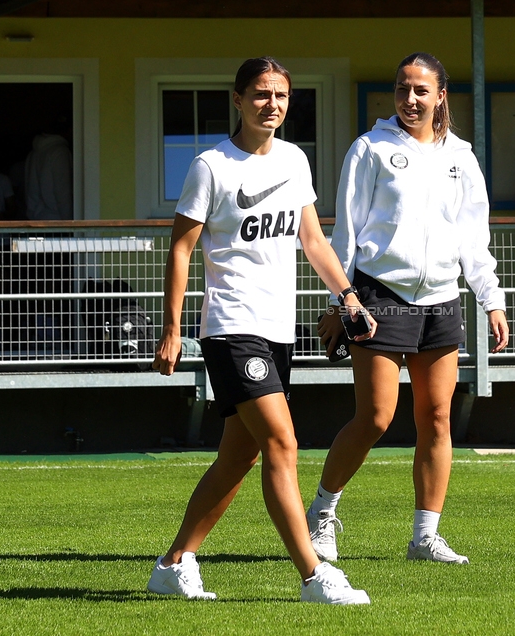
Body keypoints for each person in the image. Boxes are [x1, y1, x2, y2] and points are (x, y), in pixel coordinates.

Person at [147, 57, 374, 605]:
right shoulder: (210, 166)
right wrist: (173, 328)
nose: (271, 105)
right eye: (260, 95)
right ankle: (314, 575)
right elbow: (180, 247)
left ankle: (174, 563)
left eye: (280, 96)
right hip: (231, 328)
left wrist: (347, 297)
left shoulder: (295, 160)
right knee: (282, 442)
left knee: (238, 457)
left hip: (278, 330)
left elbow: (314, 240)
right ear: (238, 99)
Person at [310, 52, 509, 565]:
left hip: (441, 300)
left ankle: (425, 537)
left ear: (441, 95)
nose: (411, 99)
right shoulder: (370, 148)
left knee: (437, 418)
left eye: (421, 90)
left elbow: (473, 237)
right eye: (403, 89)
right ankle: (322, 513)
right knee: (375, 417)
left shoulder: (461, 157)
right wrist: (341, 300)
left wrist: (491, 299)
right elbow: (346, 234)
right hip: (378, 297)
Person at [24, 125, 72, 220]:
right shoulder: (60, 153)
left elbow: (29, 191)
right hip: (57, 221)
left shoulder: (33, 153)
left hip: (36, 219)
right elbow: (63, 193)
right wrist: (70, 224)